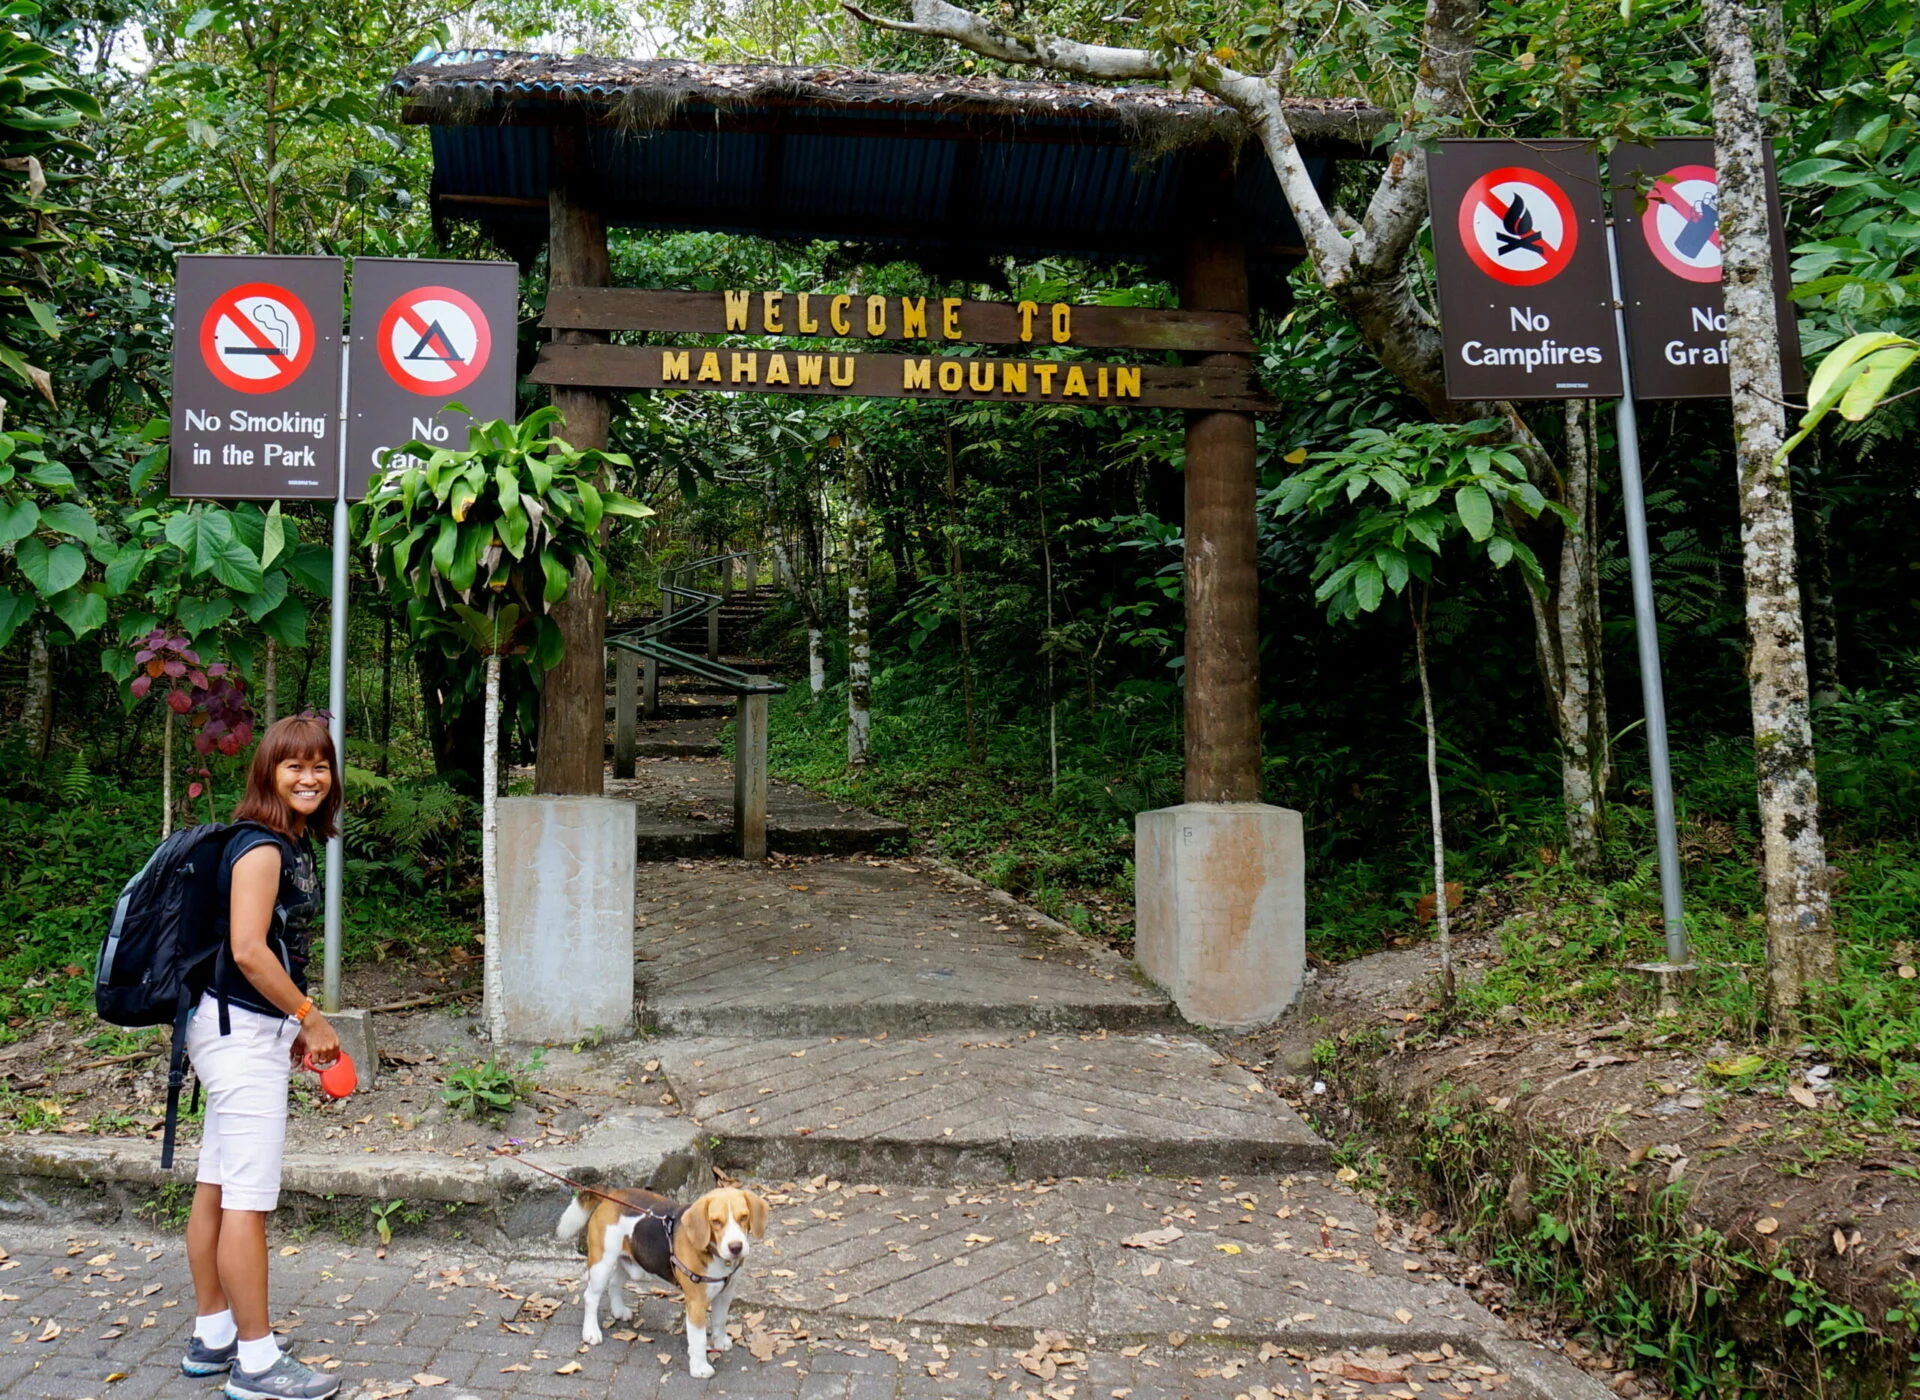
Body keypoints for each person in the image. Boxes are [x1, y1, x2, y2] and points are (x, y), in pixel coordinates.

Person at [180, 714, 344, 1400]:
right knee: (247, 1201)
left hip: (235, 1030)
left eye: (320, 766)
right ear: (268, 773)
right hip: (240, 1035)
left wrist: (291, 1026)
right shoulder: (262, 849)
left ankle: (214, 1334)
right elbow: (249, 950)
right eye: (293, 766)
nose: (309, 778)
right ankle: (255, 1363)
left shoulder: (286, 841)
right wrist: (310, 1020)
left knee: (218, 1184)